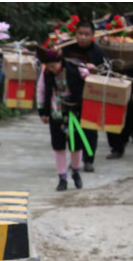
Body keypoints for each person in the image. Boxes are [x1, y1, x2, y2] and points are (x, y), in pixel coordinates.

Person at [36, 46, 89, 192]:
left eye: (53, 66)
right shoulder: (46, 73)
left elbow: (87, 75)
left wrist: (89, 71)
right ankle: (62, 178)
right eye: (49, 67)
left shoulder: (74, 66)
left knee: (75, 145)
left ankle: (76, 172)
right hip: (56, 114)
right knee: (58, 146)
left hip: (74, 112)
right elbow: (41, 91)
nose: (51, 69)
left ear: (60, 61)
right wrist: (42, 112)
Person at [62, 19, 107, 172]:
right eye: (80, 33)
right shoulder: (67, 48)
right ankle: (75, 159)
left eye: (86, 34)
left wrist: (96, 70)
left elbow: (106, 73)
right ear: (75, 34)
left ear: (93, 35)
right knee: (72, 129)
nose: (82, 37)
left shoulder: (98, 52)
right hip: (70, 94)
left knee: (90, 128)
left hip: (90, 95)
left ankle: (88, 160)